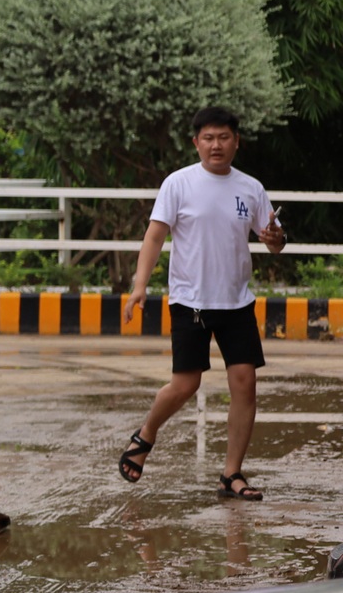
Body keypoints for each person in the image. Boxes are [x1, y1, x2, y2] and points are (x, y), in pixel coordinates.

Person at [118, 106, 287, 500]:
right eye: (208, 138)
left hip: (236, 302)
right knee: (185, 384)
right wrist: (139, 285)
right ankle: (145, 436)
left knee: (245, 384)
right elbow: (155, 237)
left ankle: (232, 475)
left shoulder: (251, 188)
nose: (216, 145)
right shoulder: (178, 184)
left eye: (224, 138)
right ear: (196, 143)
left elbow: (275, 241)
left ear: (236, 142)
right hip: (190, 301)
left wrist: (274, 238)